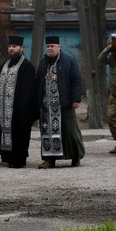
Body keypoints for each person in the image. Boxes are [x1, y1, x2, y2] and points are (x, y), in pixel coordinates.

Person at [35, 36, 85, 168]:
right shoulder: (43, 62)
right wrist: (37, 100)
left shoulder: (69, 61)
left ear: (59, 47)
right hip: (46, 106)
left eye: (52, 46)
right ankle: (49, 159)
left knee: (69, 132)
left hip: (64, 103)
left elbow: (76, 80)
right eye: (48, 47)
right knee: (47, 132)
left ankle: (75, 156)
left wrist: (76, 99)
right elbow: (38, 82)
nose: (50, 48)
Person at [0, 35, 36, 168]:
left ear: (21, 48)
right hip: (5, 108)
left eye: (14, 46)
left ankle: (19, 160)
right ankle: (8, 157)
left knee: (20, 134)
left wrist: (22, 108)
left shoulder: (27, 66)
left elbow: (29, 90)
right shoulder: (5, 65)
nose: (11, 49)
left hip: (20, 109)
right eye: (10, 46)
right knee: (7, 132)